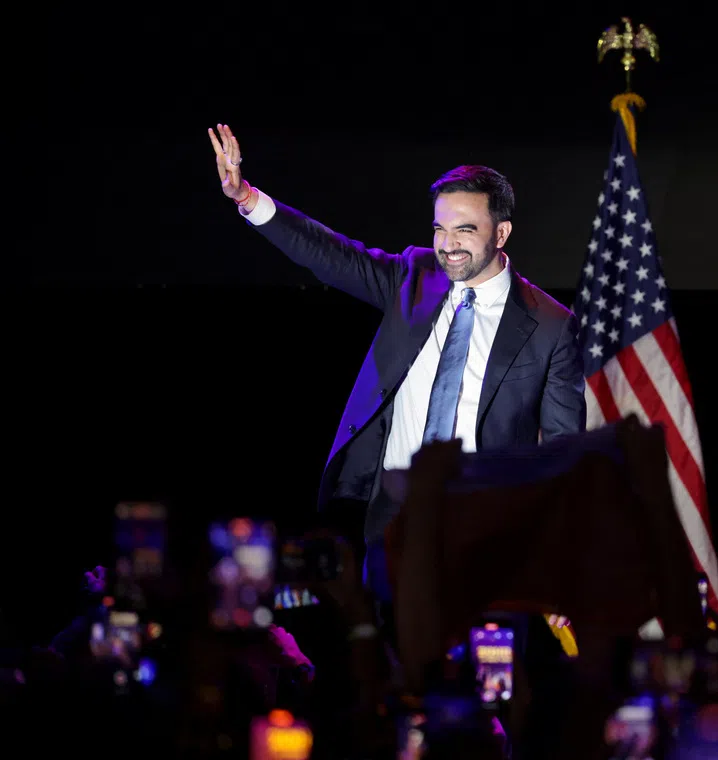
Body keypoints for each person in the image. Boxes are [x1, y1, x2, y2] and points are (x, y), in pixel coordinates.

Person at [206, 123, 583, 688]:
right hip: (396, 518)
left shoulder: (551, 326)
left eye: (465, 230)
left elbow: (560, 453)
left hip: (488, 535)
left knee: (485, 693)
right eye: (439, 229)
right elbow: (330, 255)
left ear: (501, 232)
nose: (448, 244)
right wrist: (249, 199)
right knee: (391, 683)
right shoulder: (414, 277)